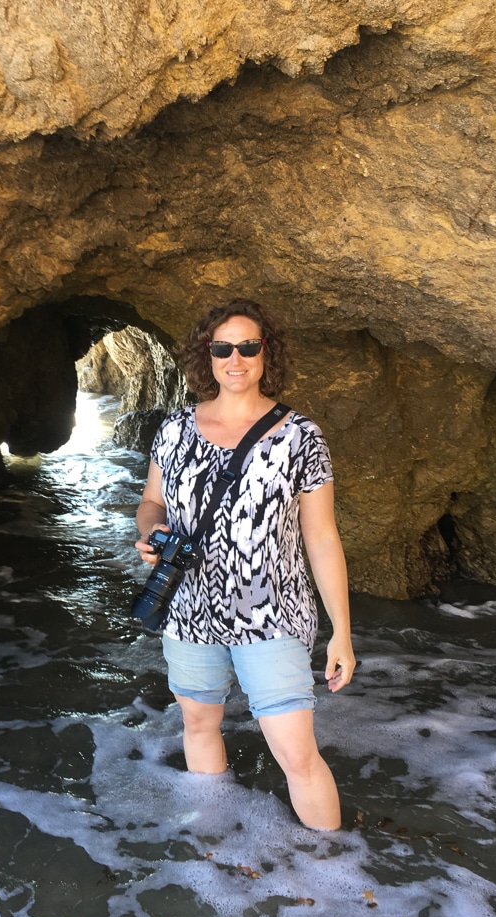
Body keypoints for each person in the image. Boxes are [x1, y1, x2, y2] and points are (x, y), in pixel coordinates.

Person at [134, 298, 356, 830]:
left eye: (249, 346)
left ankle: (333, 878)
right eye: (222, 347)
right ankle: (216, 846)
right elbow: (151, 502)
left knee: (296, 753)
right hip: (188, 610)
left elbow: (322, 537)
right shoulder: (174, 430)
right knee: (199, 724)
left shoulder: (300, 436)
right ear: (206, 356)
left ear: (265, 353)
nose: (236, 358)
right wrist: (149, 533)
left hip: (272, 616)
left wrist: (342, 633)